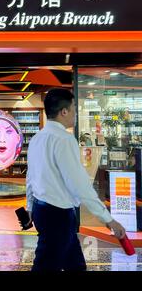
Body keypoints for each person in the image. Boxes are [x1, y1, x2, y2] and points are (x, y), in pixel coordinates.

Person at [26, 88, 126, 271]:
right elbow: (79, 184)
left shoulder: (36, 138)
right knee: (46, 265)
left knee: (75, 264)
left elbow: (30, 177)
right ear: (64, 111)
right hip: (58, 214)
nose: (75, 114)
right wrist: (108, 219)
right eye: (73, 109)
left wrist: (30, 207)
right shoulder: (64, 139)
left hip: (42, 211)